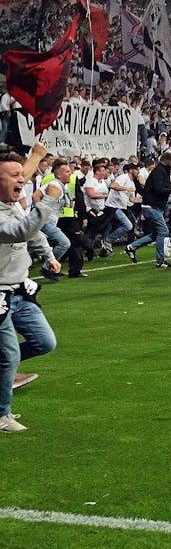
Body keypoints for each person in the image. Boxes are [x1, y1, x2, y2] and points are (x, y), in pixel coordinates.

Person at [1, 148, 64, 433]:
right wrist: (49, 199)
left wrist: (48, 255)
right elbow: (21, 231)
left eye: (21, 175)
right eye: (14, 176)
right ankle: (2, 416)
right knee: (10, 355)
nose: (22, 180)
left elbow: (33, 233)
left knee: (44, 341)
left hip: (19, 290)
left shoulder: (12, 204)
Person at [125, 151, 171, 268]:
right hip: (151, 206)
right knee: (163, 231)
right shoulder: (158, 172)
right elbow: (158, 189)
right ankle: (160, 261)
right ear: (166, 160)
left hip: (154, 206)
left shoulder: (163, 171)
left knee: (157, 233)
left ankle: (131, 247)